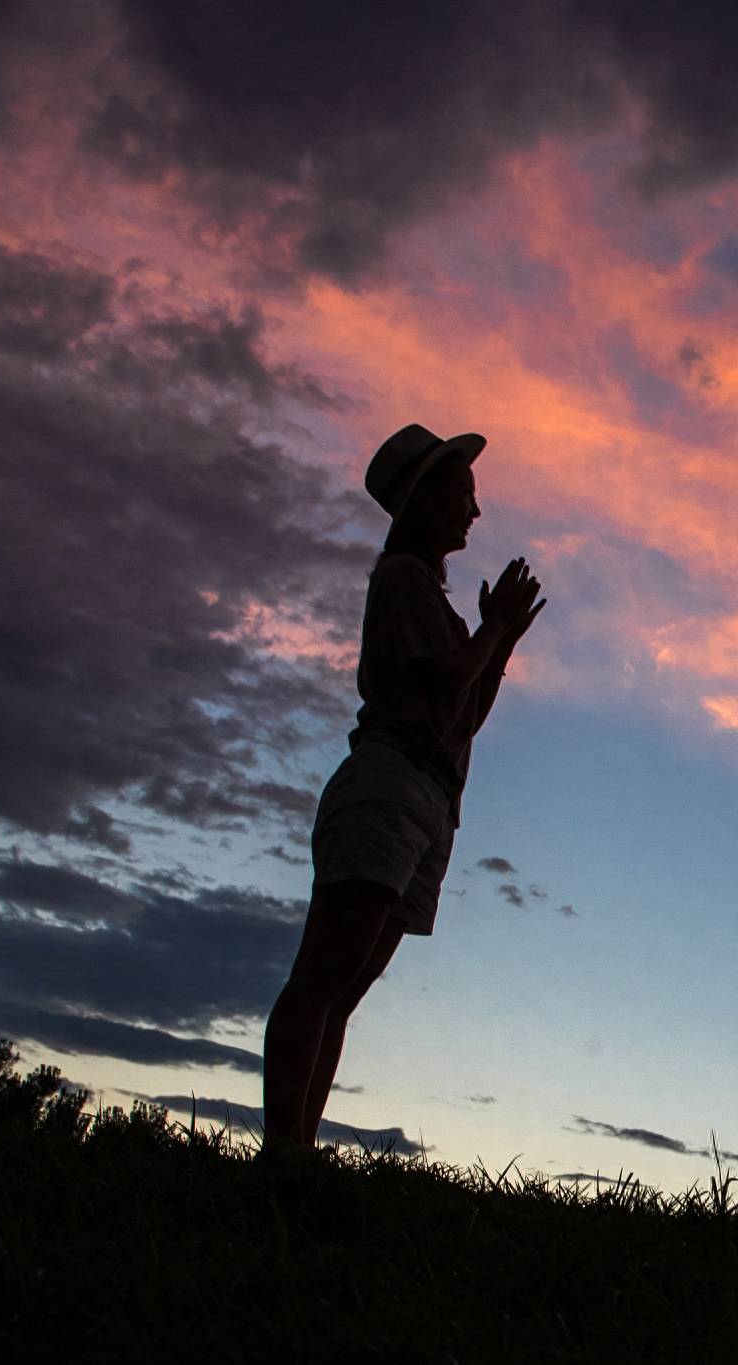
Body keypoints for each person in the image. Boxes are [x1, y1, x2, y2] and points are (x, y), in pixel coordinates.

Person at [260, 423, 545, 1156]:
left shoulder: (433, 602)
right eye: (463, 493)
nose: (474, 512)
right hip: (389, 785)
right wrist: (493, 631)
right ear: (424, 501)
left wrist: (500, 639)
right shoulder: (404, 582)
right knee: (325, 976)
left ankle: (294, 1150)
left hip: (426, 800)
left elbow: (464, 713)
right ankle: (283, 1152)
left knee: (343, 990)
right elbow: (449, 683)